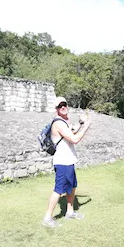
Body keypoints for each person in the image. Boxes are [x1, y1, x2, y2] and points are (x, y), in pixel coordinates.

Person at [41, 96, 92, 228]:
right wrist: (86, 126)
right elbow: (74, 139)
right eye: (60, 106)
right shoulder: (58, 123)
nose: (63, 107)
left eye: (64, 104)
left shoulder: (64, 123)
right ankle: (47, 217)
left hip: (69, 161)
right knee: (58, 190)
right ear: (56, 109)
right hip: (62, 162)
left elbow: (72, 131)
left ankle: (70, 212)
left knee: (72, 187)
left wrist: (80, 124)